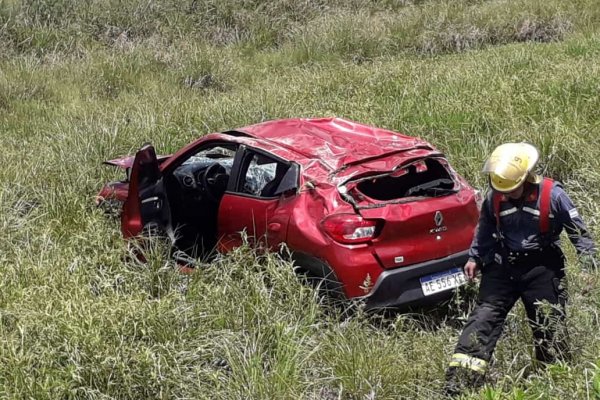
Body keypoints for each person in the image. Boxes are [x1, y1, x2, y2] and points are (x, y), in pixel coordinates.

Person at [444, 142, 597, 396]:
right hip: (503, 266)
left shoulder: (553, 195)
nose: (508, 194)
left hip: (542, 267)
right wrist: (475, 258)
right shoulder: (495, 194)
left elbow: (579, 232)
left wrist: (589, 266)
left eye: (513, 189)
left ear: (526, 178)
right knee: (482, 320)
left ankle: (555, 381)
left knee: (548, 325)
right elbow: (485, 228)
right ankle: (459, 384)